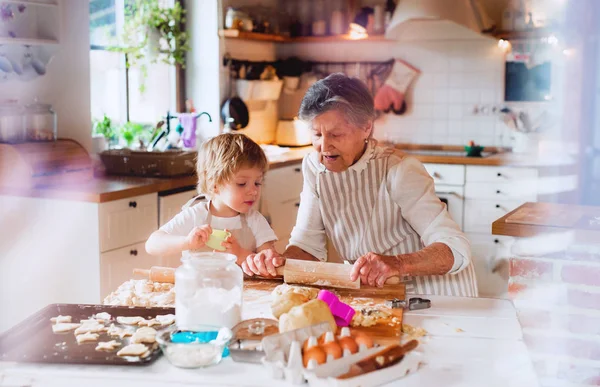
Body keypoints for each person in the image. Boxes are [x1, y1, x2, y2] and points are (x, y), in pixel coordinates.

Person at [241, 73, 478, 296]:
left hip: (438, 296)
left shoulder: (398, 170)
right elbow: (307, 246)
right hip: (380, 295)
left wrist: (397, 263)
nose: (324, 147)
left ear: (366, 126)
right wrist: (275, 263)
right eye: (316, 134)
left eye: (336, 135)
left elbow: (456, 248)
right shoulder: (315, 167)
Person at [146, 133, 277, 265]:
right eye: (242, 184)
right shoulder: (195, 216)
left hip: (242, 286)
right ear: (215, 185)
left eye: (258, 183)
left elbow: (269, 263)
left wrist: (240, 254)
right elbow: (152, 244)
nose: (254, 191)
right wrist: (187, 242)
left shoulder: (255, 221)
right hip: (199, 285)